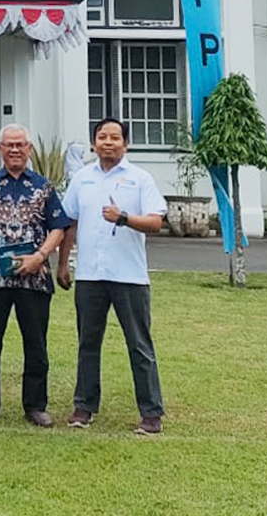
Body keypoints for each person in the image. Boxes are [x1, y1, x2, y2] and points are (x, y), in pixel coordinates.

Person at [57, 117, 168, 436]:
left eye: (114, 137)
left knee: (139, 345)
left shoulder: (140, 179)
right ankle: (83, 406)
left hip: (129, 276)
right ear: (94, 143)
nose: (108, 142)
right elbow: (70, 223)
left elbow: (155, 222)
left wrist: (123, 218)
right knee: (88, 343)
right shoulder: (81, 179)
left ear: (125, 144)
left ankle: (150, 413)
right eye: (102, 137)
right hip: (91, 274)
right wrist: (63, 264)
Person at [0, 122, 70, 427]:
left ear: (29, 149)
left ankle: (35, 405)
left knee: (35, 344)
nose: (14, 150)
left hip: (33, 277)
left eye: (20, 144)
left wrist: (40, 257)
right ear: (0, 149)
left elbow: (59, 227)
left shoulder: (44, 186)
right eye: (9, 145)